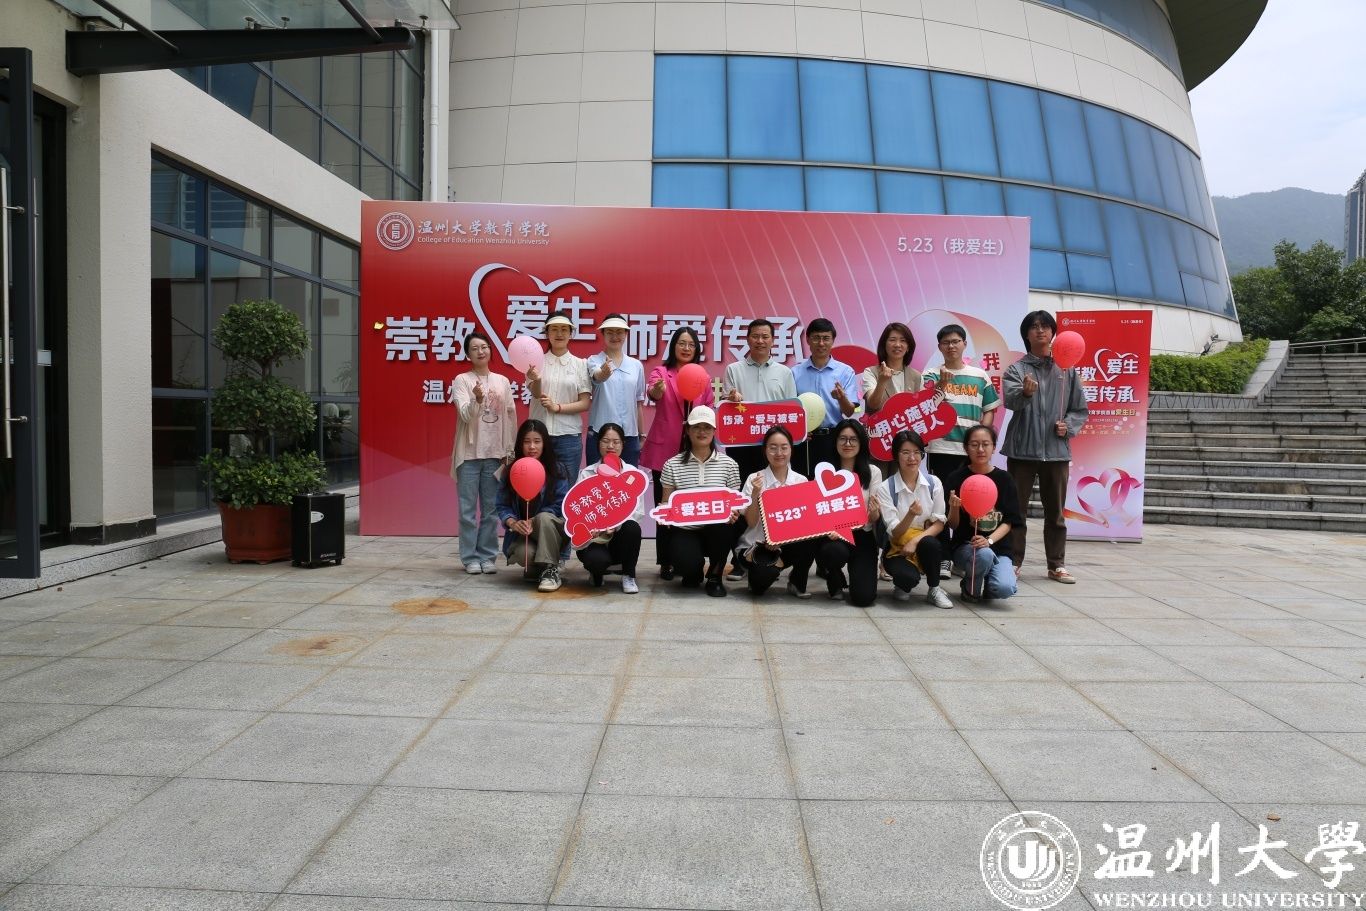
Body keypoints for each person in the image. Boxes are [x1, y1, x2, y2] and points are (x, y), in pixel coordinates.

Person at [1001, 310, 1088, 584]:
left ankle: (1056, 564)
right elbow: (1010, 402)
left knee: (1056, 513)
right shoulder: (1016, 369)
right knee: (1016, 511)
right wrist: (1025, 393)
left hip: (1056, 451)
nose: (1040, 330)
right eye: (1034, 327)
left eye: (1045, 326)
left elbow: (1079, 409)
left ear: (1053, 332)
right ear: (1026, 335)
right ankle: (1013, 562)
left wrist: (1068, 426)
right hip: (1021, 450)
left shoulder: (1067, 370)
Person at [926, 323, 1001, 583]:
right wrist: (940, 386)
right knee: (943, 504)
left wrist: (980, 437)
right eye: (946, 342)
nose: (951, 346)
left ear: (964, 344)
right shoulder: (931, 375)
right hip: (941, 448)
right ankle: (944, 556)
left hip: (970, 453)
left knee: (970, 503)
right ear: (939, 347)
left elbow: (990, 408)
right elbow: (924, 407)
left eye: (956, 341)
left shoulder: (979, 376)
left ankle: (964, 554)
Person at [722, 318, 796, 580]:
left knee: (775, 499)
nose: (760, 341)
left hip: (774, 449)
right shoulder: (734, 369)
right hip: (742, 445)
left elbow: (791, 408)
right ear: (748, 339)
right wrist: (731, 399)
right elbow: (725, 407)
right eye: (755, 336)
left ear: (773, 340)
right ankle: (739, 559)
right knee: (742, 501)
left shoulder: (784, 372)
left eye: (765, 336)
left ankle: (773, 552)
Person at [640, 326, 713, 581]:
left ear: (697, 349)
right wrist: (658, 390)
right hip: (665, 449)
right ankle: (665, 561)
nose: (686, 348)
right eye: (681, 343)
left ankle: (688, 556)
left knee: (690, 504)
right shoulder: (661, 372)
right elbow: (653, 392)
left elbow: (709, 408)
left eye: (691, 344)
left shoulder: (703, 377)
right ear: (673, 346)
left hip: (695, 450)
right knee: (664, 506)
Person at [450, 331, 516, 574]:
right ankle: (470, 558)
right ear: (468, 354)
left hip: (495, 454)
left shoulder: (502, 381)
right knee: (467, 511)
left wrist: (509, 449)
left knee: (490, 510)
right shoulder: (462, 380)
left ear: (490, 350)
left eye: (484, 346)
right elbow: (465, 415)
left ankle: (487, 556)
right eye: (475, 348)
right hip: (468, 455)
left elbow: (510, 416)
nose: (481, 351)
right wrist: (477, 400)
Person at [659, 405, 743, 597]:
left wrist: (734, 512)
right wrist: (664, 512)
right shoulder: (672, 464)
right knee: (687, 570)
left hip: (716, 529)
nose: (702, 432)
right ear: (687, 430)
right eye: (696, 427)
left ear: (714, 431)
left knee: (725, 527)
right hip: (686, 529)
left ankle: (715, 577)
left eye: (707, 427)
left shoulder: (729, 464)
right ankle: (693, 571)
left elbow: (734, 502)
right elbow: (666, 502)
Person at [874, 430, 953, 609]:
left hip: (926, 545)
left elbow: (939, 523)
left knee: (930, 543)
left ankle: (934, 589)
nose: (912, 458)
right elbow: (895, 532)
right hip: (898, 549)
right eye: (905, 452)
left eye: (917, 452)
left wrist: (915, 541)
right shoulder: (886, 488)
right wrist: (910, 515)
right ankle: (903, 584)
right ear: (896, 455)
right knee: (907, 579)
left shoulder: (933, 483)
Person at [736, 426, 816, 598]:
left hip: (787, 545)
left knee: (811, 540)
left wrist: (780, 539)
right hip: (756, 545)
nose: (779, 453)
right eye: (773, 448)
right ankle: (758, 571)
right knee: (759, 586)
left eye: (784, 447)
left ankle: (797, 581)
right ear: (765, 450)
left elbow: (804, 524)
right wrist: (756, 493)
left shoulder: (801, 481)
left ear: (791, 449)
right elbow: (751, 522)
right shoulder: (754, 479)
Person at [945, 424, 1022, 603]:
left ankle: (989, 578)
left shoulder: (1005, 479)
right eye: (974, 444)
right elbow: (952, 525)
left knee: (1004, 588)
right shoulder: (956, 478)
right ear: (966, 448)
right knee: (984, 555)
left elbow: (1009, 521)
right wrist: (954, 507)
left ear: (993, 447)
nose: (980, 449)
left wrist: (989, 541)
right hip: (966, 548)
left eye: (986, 444)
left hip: (998, 548)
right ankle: (970, 588)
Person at [495, 419, 570, 592]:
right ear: (520, 444)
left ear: (545, 444)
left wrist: (534, 520)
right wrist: (513, 522)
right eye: (527, 441)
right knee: (524, 555)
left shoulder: (557, 469)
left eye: (537, 441)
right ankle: (538, 567)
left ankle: (551, 570)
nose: (532, 447)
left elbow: (562, 504)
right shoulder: (511, 470)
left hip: (552, 530)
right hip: (525, 534)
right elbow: (502, 504)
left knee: (544, 518)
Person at [814, 419, 882, 607]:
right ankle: (834, 576)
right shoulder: (825, 471)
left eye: (853, 439)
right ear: (835, 441)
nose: (847, 444)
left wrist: (875, 514)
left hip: (863, 535)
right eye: (842, 439)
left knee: (864, 598)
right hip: (833, 536)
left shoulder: (873, 472)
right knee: (832, 552)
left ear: (861, 442)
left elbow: (872, 516)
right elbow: (818, 510)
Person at [575, 422, 644, 594]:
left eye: (616, 442)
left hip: (620, 535)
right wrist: (592, 527)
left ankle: (628, 575)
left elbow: (638, 512)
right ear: (598, 443)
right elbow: (578, 509)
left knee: (632, 527)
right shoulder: (587, 473)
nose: (610, 446)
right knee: (595, 561)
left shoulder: (632, 474)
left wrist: (616, 524)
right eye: (605, 441)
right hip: (595, 537)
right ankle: (596, 573)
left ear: (623, 444)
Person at [527, 311, 591, 478]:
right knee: (538, 485)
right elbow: (535, 393)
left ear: (571, 334)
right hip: (539, 436)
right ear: (547, 333)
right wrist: (537, 379)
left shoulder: (580, 364)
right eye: (554, 329)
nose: (559, 334)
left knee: (567, 487)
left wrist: (557, 407)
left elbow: (585, 403)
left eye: (564, 329)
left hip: (568, 437)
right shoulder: (535, 362)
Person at [792, 318, 860, 473]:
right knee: (803, 482)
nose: (821, 343)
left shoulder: (845, 371)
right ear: (808, 340)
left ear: (833, 341)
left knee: (831, 481)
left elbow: (850, 411)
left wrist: (841, 398)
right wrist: (798, 431)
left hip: (833, 438)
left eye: (826, 338)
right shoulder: (795, 372)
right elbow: (790, 410)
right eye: (816, 338)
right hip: (804, 439)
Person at [586, 314, 646, 467]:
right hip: (600, 435)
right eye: (610, 332)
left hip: (629, 436)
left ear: (626, 334)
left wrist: (642, 434)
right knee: (597, 478)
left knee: (629, 479)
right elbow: (597, 376)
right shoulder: (594, 360)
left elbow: (638, 403)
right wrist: (604, 373)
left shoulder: (636, 365)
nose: (615, 336)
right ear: (603, 334)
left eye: (619, 332)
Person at [861, 321, 923, 414]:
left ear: (908, 347)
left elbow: (922, 409)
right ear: (884, 345)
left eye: (903, 340)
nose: (897, 345)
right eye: (892, 340)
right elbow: (873, 405)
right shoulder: (871, 372)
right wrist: (881, 382)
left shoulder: (917, 376)